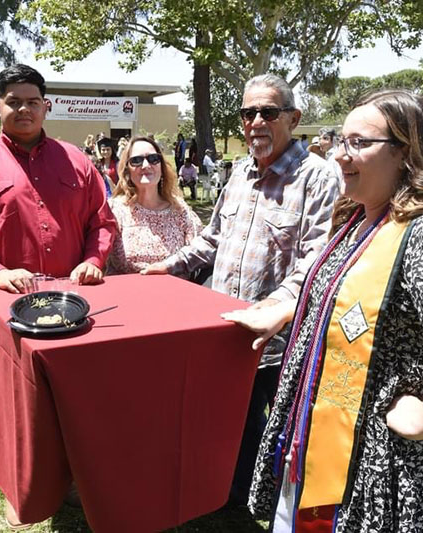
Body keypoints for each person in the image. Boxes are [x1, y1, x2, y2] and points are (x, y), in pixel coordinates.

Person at [223, 89, 423, 531]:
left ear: (407, 152)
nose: (339, 155)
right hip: (327, 455)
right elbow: (360, 296)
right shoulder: (363, 218)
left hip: (386, 477)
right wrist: (294, 308)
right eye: (338, 140)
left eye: (358, 143)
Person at [142, 73, 340, 506]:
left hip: (280, 340)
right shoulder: (238, 173)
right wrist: (169, 266)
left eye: (268, 112)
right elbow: (211, 239)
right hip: (227, 332)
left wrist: (272, 308)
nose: (256, 122)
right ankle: (238, 494)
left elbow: (317, 261)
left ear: (294, 117)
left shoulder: (319, 178)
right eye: (248, 113)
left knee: (285, 426)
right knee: (236, 419)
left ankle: (284, 501)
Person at [0, 63, 117, 298]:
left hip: (75, 294)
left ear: (46, 107)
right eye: (14, 102)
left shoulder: (78, 161)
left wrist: (93, 260)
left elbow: (102, 221)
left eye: (33, 102)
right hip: (7, 296)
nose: (24, 109)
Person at [106, 136, 202, 274]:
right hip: (127, 292)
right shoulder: (114, 210)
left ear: (162, 167)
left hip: (176, 292)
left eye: (153, 159)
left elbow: (198, 253)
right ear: (127, 170)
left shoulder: (180, 209)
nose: (146, 165)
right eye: (136, 160)